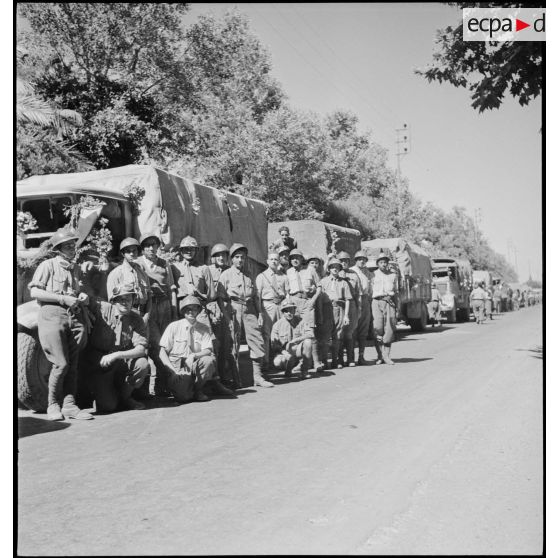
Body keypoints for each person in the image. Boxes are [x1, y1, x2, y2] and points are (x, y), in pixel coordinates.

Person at [28, 228, 93, 421]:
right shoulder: (47, 265)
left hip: (73, 316)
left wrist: (83, 296)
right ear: (58, 249)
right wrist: (62, 299)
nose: (72, 248)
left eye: (73, 244)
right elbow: (35, 293)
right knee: (61, 363)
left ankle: (70, 406)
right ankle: (53, 405)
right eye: (67, 245)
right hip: (51, 315)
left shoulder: (75, 268)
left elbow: (78, 292)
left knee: (72, 364)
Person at [79, 284, 150, 412]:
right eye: (121, 299)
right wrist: (83, 296)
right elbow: (88, 299)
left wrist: (116, 355)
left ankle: (125, 397)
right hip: (99, 363)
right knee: (108, 406)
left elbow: (141, 350)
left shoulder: (136, 319)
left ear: (133, 301)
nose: (125, 302)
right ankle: (103, 395)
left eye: (128, 299)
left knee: (142, 364)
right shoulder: (104, 308)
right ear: (114, 301)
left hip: (120, 362)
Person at [218, 243, 273, 388]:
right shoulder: (226, 275)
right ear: (231, 259)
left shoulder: (249, 275)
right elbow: (221, 298)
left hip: (249, 310)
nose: (240, 260)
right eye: (237, 257)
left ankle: (258, 377)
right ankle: (235, 380)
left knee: (257, 341)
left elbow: (255, 297)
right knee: (233, 345)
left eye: (242, 257)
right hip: (233, 309)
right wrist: (227, 317)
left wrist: (260, 313)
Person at [159, 295, 230, 402]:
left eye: (194, 308)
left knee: (209, 360)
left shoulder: (204, 328)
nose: (191, 312)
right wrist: (172, 371)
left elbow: (208, 349)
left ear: (198, 310)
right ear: (183, 311)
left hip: (194, 364)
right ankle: (185, 389)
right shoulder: (174, 326)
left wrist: (193, 355)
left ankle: (198, 390)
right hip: (178, 368)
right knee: (184, 397)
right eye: (188, 309)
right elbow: (162, 352)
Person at [136, 232, 179, 396]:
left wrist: (174, 312)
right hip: (149, 306)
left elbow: (171, 289)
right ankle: (150, 386)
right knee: (155, 344)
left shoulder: (164, 263)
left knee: (166, 344)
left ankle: (163, 386)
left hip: (165, 305)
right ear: (142, 248)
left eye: (154, 245)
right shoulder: (138, 263)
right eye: (147, 245)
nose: (151, 248)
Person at [207, 243, 239, 388]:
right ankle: (214, 378)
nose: (221, 258)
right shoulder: (208, 270)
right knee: (215, 345)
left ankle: (224, 375)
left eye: (224, 255)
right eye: (218, 255)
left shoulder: (230, 271)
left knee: (227, 345)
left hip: (227, 307)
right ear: (213, 257)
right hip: (213, 309)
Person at [286, 249, 323, 370]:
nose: (295, 260)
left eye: (297, 257)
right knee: (297, 332)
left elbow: (319, 287)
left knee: (310, 332)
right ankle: (302, 362)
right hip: (294, 302)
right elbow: (287, 291)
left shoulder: (310, 270)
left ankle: (317, 362)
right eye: (292, 258)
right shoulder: (288, 272)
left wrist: (313, 300)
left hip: (307, 301)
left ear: (302, 259)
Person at [256, 252, 288, 373]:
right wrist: (259, 313)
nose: (274, 261)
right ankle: (265, 362)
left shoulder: (283, 277)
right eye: (272, 259)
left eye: (276, 259)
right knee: (266, 335)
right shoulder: (261, 277)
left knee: (281, 334)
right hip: (267, 306)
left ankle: (282, 361)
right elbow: (258, 296)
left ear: (279, 261)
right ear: (267, 261)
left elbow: (287, 294)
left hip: (281, 306)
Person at [174, 236, 215, 330]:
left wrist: (199, 294)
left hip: (198, 307)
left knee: (205, 334)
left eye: (192, 249)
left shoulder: (204, 268)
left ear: (196, 251)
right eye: (185, 249)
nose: (189, 252)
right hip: (181, 307)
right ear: (181, 251)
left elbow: (212, 295)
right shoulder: (174, 268)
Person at [319, 258, 352, 369]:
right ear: (329, 269)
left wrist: (346, 315)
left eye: (337, 267)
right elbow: (319, 297)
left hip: (339, 308)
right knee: (325, 337)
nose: (335, 269)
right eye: (333, 267)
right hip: (327, 309)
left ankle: (335, 360)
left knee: (337, 336)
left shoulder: (344, 282)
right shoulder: (323, 281)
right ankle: (323, 361)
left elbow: (348, 299)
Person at [270, 299, 314, 379]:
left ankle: (304, 371)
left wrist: (296, 340)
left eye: (291, 310)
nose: (289, 313)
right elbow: (274, 344)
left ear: (294, 310)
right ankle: (288, 369)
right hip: (284, 353)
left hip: (297, 349)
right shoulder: (277, 325)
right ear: (283, 313)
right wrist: (284, 353)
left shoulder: (301, 321)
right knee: (277, 362)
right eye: (286, 311)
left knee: (308, 342)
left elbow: (310, 334)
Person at [372, 252, 397, 365]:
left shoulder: (393, 275)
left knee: (389, 328)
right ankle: (379, 355)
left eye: (385, 262)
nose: (383, 264)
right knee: (377, 328)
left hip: (389, 302)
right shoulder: (373, 274)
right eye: (381, 262)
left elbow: (396, 291)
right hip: (376, 301)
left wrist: (397, 307)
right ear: (377, 264)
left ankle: (386, 356)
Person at [337, 251, 361, 367]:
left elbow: (358, 293)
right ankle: (340, 359)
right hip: (340, 305)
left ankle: (351, 359)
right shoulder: (335, 273)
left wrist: (358, 308)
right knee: (340, 333)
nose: (343, 263)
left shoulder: (354, 274)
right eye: (341, 261)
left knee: (350, 333)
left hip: (351, 305)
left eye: (346, 261)